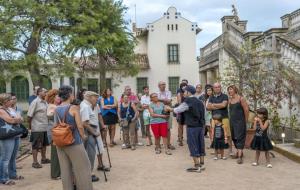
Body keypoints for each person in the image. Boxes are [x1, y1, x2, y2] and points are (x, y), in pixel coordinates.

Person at [55, 85, 93, 190]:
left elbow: (55, 125)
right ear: (70, 95)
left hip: (60, 143)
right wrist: (83, 136)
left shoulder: (56, 109)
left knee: (65, 170)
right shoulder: (74, 108)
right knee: (83, 168)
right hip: (74, 142)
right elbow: (80, 126)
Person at [171, 85, 206, 172]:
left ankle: (197, 166)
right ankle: (201, 164)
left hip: (192, 126)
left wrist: (169, 109)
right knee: (200, 143)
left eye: (185, 91)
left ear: (188, 92)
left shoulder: (188, 101)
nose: (183, 93)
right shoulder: (200, 101)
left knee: (192, 144)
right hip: (200, 126)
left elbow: (178, 110)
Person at [0, 93, 23, 186]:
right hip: (7, 136)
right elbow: (11, 120)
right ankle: (4, 178)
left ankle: (12, 174)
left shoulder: (10, 109)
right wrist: (15, 119)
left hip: (15, 134)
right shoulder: (1, 110)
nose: (12, 101)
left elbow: (20, 118)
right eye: (10, 100)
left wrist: (16, 119)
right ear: (5, 101)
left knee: (13, 157)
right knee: (5, 158)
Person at [80, 91, 103, 182]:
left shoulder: (85, 105)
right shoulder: (85, 106)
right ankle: (89, 173)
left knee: (89, 153)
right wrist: (94, 132)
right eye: (95, 97)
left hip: (89, 131)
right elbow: (84, 123)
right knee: (90, 153)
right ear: (89, 97)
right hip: (90, 132)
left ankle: (87, 172)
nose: (97, 99)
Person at [206, 83, 232, 155]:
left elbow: (224, 105)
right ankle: (216, 150)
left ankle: (230, 150)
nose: (217, 88)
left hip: (224, 118)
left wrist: (213, 105)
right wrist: (219, 105)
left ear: (220, 88)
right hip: (215, 119)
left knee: (227, 134)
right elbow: (208, 107)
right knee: (215, 135)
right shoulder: (211, 97)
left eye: (218, 87)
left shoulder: (225, 96)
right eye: (215, 87)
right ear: (213, 89)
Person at [27, 88, 50, 169]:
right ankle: (35, 162)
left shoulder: (45, 102)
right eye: (45, 92)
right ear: (39, 92)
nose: (46, 93)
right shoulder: (35, 102)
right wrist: (30, 126)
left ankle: (43, 159)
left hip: (44, 126)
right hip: (37, 127)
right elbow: (29, 116)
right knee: (36, 145)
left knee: (44, 144)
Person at [228, 85, 249, 164]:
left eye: (231, 89)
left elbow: (246, 110)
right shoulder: (230, 100)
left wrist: (245, 121)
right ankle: (239, 152)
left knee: (240, 137)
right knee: (234, 137)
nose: (229, 91)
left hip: (240, 122)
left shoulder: (241, 99)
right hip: (232, 122)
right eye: (229, 90)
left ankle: (240, 156)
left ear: (235, 90)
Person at [45, 89, 61, 179]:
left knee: (57, 153)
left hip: (56, 132)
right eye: (57, 96)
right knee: (55, 154)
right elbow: (49, 114)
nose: (59, 98)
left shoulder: (56, 106)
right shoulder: (52, 106)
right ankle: (55, 174)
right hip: (53, 132)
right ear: (53, 97)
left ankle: (57, 173)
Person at [157, 81, 175, 150]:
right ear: (159, 86)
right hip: (159, 113)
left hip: (167, 112)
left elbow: (169, 101)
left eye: (164, 84)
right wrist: (164, 100)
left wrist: (159, 100)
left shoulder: (168, 92)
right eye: (162, 84)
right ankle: (161, 144)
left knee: (168, 128)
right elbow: (156, 101)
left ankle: (168, 144)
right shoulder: (157, 93)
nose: (163, 86)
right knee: (160, 128)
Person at [176, 82, 188, 146]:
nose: (184, 87)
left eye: (185, 86)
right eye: (183, 86)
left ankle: (189, 139)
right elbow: (179, 102)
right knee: (180, 126)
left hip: (188, 111)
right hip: (181, 111)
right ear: (180, 87)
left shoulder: (188, 93)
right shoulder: (179, 93)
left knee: (188, 125)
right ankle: (180, 140)